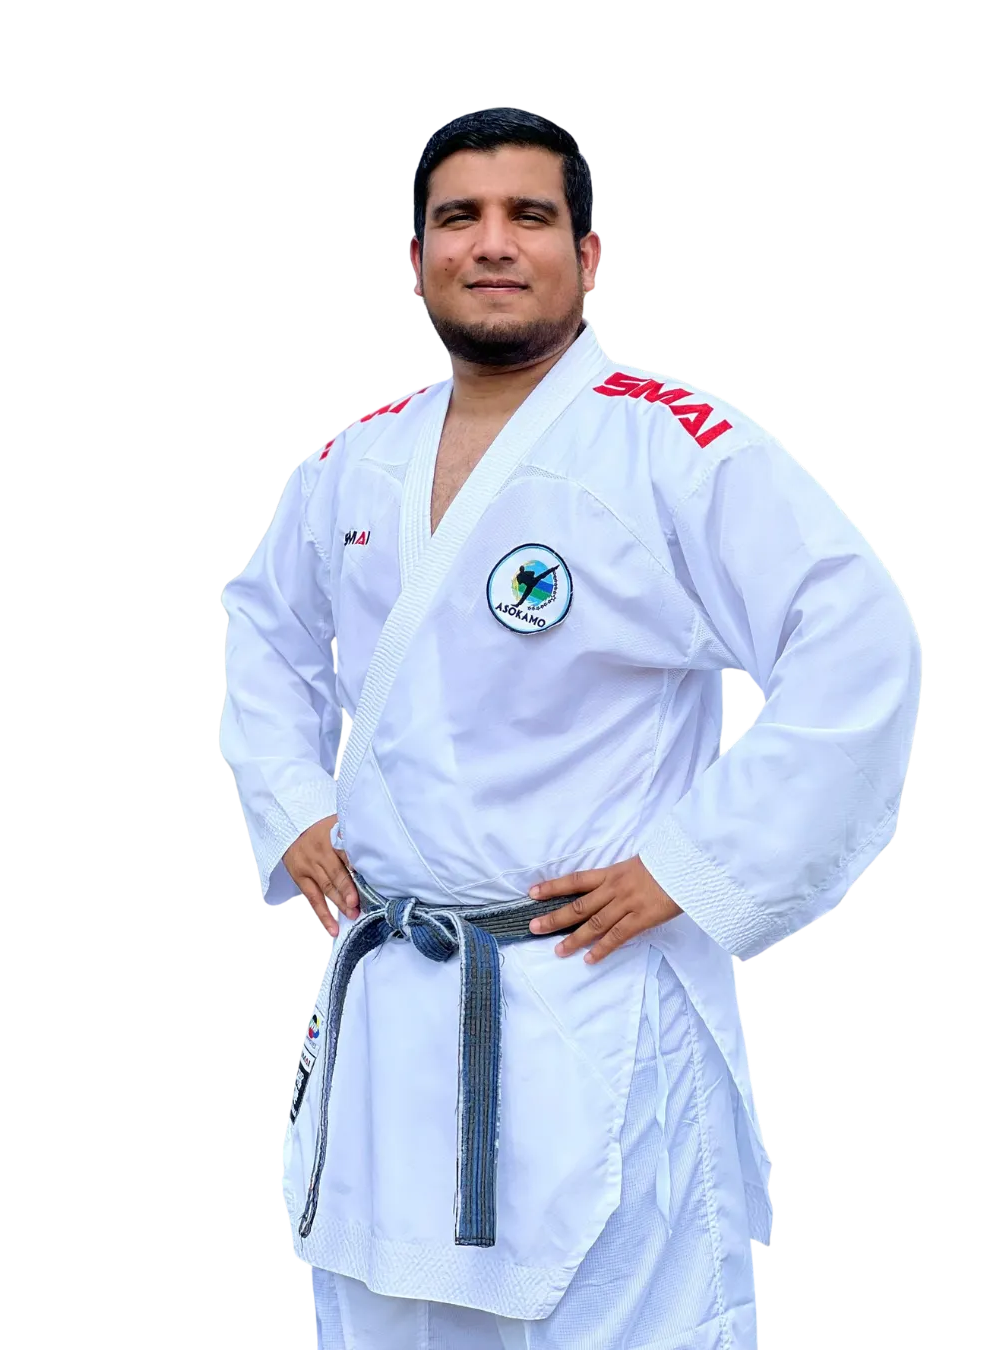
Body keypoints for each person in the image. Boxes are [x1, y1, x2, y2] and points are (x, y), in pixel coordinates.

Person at [220, 107, 921, 1349]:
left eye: (529, 217)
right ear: (417, 260)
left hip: (590, 1003)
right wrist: (293, 809)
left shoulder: (674, 443)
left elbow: (855, 640)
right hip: (395, 1004)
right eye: (459, 219)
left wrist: (698, 865)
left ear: (589, 257)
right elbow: (264, 633)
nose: (492, 243)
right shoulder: (350, 462)